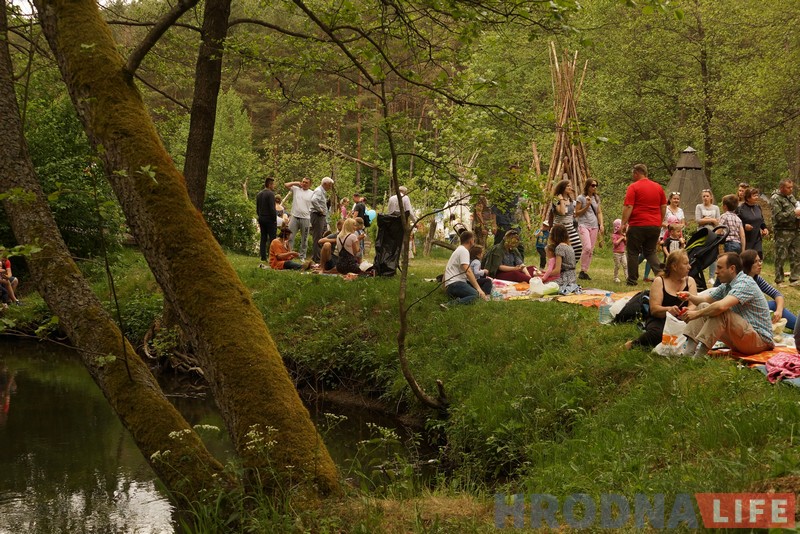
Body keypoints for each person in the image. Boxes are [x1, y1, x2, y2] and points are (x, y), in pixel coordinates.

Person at [678, 252, 774, 356]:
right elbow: (706, 300)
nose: (716, 272)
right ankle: (688, 354)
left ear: (732, 269)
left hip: (760, 342)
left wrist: (696, 314)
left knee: (721, 312)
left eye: (719, 268)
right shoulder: (727, 285)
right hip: (742, 339)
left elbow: (721, 307)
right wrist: (690, 297)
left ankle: (698, 358)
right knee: (703, 306)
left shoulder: (745, 283)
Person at [625, 249, 696, 349]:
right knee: (658, 335)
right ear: (674, 266)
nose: (689, 267)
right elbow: (654, 309)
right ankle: (633, 344)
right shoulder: (660, 281)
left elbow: (693, 304)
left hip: (683, 321)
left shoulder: (690, 281)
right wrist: (669, 310)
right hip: (660, 318)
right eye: (686, 264)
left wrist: (688, 311)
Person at [621, 163, 667, 286]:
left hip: (638, 224)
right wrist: (659, 221)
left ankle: (632, 280)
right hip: (654, 225)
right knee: (650, 251)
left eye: (633, 174)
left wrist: (623, 223)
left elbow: (629, 206)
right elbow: (663, 206)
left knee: (633, 252)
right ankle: (660, 273)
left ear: (636, 173)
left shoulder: (633, 187)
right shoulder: (658, 187)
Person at [741, 249, 796, 331]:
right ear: (747, 264)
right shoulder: (741, 281)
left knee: (774, 305)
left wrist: (779, 311)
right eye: (755, 262)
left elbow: (777, 294)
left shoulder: (757, 278)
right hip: (744, 314)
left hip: (756, 310)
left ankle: (797, 325)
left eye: (760, 261)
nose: (760, 264)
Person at [441, 231, 488, 307]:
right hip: (455, 284)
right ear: (471, 241)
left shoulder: (458, 250)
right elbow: (468, 271)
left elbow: (447, 268)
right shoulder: (464, 251)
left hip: (450, 286)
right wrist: (479, 289)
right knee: (476, 295)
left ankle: (458, 298)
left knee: (474, 291)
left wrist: (444, 286)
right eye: (473, 240)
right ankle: (449, 305)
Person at [769, 178, 800, 286]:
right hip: (782, 231)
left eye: (792, 187)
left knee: (796, 254)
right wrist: (793, 213)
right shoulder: (775, 198)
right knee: (781, 255)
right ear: (782, 188)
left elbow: (796, 206)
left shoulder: (791, 197)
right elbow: (778, 217)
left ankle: (795, 278)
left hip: (795, 230)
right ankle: (779, 280)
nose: (791, 189)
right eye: (788, 187)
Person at [550, 180, 582, 267]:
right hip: (559, 230)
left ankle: (569, 267)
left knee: (578, 247)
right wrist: (561, 200)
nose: (570, 188)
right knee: (558, 250)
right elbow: (562, 212)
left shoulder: (571, 200)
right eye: (568, 186)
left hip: (570, 228)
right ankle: (557, 268)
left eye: (570, 186)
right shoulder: (556, 199)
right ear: (562, 187)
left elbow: (574, 213)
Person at [576, 179, 603, 280]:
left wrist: (601, 224)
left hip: (594, 225)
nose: (595, 187)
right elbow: (577, 213)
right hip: (583, 225)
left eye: (596, 185)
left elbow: (599, 212)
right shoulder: (581, 198)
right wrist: (587, 205)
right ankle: (582, 269)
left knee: (590, 250)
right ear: (587, 186)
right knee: (586, 247)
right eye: (593, 185)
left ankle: (584, 271)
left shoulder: (596, 198)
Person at [284, 177, 314, 260]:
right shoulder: (296, 189)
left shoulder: (312, 193)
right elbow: (286, 185)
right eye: (303, 182)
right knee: (290, 237)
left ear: (310, 184)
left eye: (306, 182)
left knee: (304, 238)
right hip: (294, 216)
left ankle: (302, 256)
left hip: (306, 218)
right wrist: (297, 183)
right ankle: (288, 254)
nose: (304, 184)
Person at [695, 188, 720, 283]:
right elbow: (698, 221)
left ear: (711, 197)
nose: (705, 198)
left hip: (713, 233)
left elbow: (717, 222)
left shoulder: (716, 208)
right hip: (702, 233)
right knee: (700, 253)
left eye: (707, 196)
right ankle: (698, 274)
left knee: (713, 254)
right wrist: (712, 220)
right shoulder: (699, 207)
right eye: (704, 196)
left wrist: (706, 219)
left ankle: (711, 277)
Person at [736, 187, 768, 258]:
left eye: (757, 195)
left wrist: (764, 228)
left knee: (758, 257)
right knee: (747, 259)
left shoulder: (758, 207)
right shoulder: (740, 208)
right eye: (754, 196)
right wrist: (744, 226)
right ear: (748, 198)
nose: (757, 197)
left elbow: (761, 220)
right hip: (746, 239)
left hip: (757, 238)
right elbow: (736, 223)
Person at [550, 223, 580, 294]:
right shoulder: (569, 246)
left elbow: (557, 270)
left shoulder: (559, 248)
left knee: (544, 285)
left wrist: (544, 274)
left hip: (564, 278)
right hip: (572, 277)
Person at [310, 176, 334, 264]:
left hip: (321, 216)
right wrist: (320, 209)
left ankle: (321, 256)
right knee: (318, 237)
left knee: (324, 235)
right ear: (325, 184)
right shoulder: (319, 191)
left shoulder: (322, 192)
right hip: (317, 215)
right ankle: (316, 258)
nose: (330, 187)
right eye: (329, 185)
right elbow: (313, 200)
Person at [256, 178, 277, 266]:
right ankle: (271, 256)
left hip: (261, 217)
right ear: (269, 185)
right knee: (272, 238)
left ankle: (263, 256)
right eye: (273, 184)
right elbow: (272, 208)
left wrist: (260, 216)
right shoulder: (271, 194)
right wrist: (274, 219)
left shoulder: (259, 194)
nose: (274, 186)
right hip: (269, 218)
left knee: (263, 237)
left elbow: (257, 208)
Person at [612, 218, 627, 284]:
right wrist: (621, 238)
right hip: (616, 253)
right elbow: (615, 243)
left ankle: (627, 277)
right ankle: (615, 277)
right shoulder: (614, 235)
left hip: (623, 253)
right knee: (617, 266)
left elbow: (626, 243)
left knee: (625, 265)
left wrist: (625, 239)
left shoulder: (623, 235)